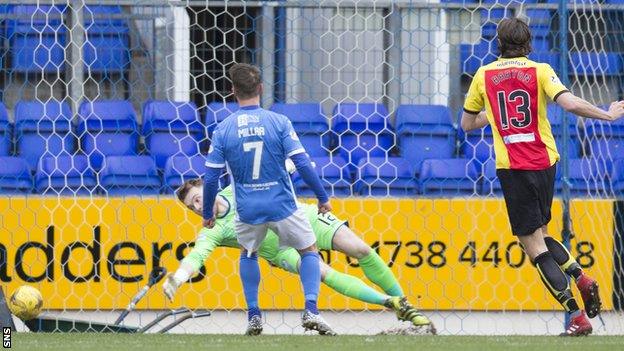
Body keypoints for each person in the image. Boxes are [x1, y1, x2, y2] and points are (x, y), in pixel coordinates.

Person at [460, 17, 624, 336]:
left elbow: (467, 125)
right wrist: (607, 114)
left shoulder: (483, 75)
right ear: (529, 44)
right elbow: (569, 102)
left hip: (514, 167)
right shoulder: (540, 70)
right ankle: (581, 277)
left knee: (532, 245)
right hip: (545, 161)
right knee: (542, 233)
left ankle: (576, 317)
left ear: (498, 44)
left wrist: (493, 114)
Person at [162, 181, 433, 333]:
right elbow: (197, 255)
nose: (198, 207)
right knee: (323, 272)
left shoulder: (236, 187)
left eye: (198, 198)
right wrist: (179, 278)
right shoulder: (213, 230)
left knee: (361, 249)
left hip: (303, 219)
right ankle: (392, 302)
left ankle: (407, 305)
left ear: (207, 187)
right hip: (281, 250)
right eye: (192, 206)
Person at [201, 63, 333, 335]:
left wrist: (207, 214)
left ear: (232, 91)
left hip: (248, 207)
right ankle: (311, 310)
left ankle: (254, 316)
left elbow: (211, 178)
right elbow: (303, 164)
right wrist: (322, 197)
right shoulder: (279, 122)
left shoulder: (223, 129)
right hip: (282, 204)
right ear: (261, 88)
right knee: (309, 250)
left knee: (248, 254)